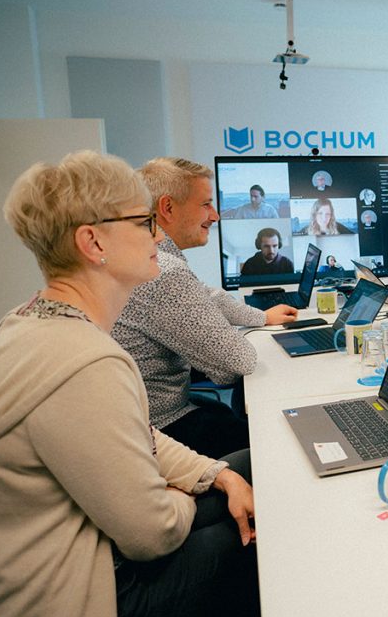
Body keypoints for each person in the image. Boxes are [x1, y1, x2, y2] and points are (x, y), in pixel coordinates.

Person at [0, 151, 258, 617]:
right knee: (262, 527)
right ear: (93, 242)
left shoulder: (27, 320)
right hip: (74, 601)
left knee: (250, 473)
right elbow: (151, 533)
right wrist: (181, 492)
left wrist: (218, 475)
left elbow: (142, 435)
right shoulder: (87, 363)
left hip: (47, 570)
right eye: (143, 222)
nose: (157, 235)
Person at [113, 158, 298, 458]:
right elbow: (236, 362)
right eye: (206, 204)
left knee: (234, 412)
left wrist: (261, 317)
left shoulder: (149, 258)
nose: (215, 216)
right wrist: (236, 332)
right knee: (280, 443)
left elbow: (206, 295)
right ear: (168, 208)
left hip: (146, 420)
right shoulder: (164, 271)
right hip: (159, 433)